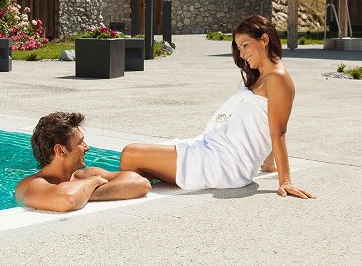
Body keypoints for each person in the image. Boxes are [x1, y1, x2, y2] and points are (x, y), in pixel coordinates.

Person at [120, 15, 315, 199]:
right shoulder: (262, 77)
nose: (242, 53)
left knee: (131, 154)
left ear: (264, 39)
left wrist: (285, 180)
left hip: (224, 163)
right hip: (213, 150)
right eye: (239, 48)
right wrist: (266, 163)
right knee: (135, 157)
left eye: (245, 45)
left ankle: (100, 188)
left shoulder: (278, 79)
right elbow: (266, 123)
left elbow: (278, 131)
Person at [15, 111, 151, 211]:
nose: (87, 147)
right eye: (80, 142)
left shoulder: (84, 174)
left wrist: (84, 193)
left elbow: (141, 184)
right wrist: (95, 182)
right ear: (61, 150)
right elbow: (67, 199)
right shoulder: (29, 185)